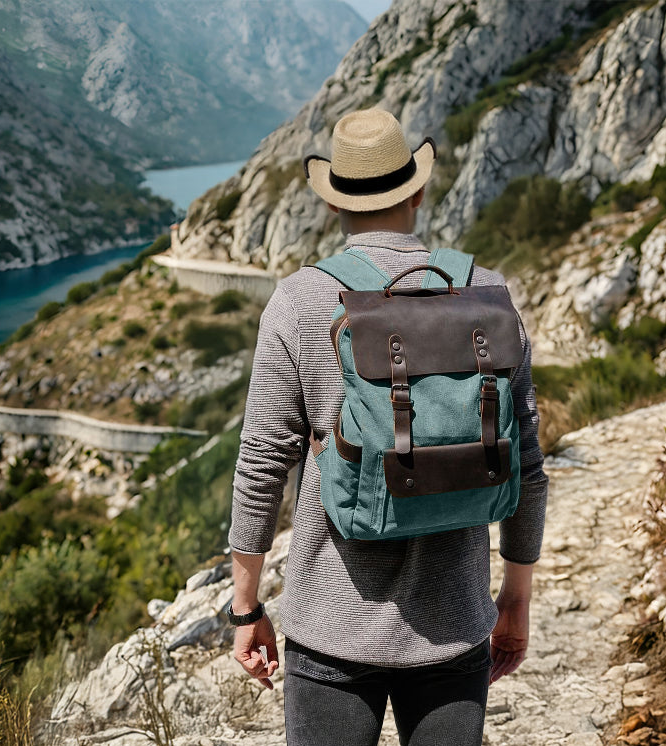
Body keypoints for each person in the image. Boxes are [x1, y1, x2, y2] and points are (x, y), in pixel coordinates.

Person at [225, 108, 548, 746]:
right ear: (419, 192)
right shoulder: (484, 291)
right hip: (453, 622)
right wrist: (515, 597)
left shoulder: (299, 300)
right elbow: (526, 467)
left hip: (331, 622)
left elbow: (262, 464)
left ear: (333, 206)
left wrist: (247, 608)